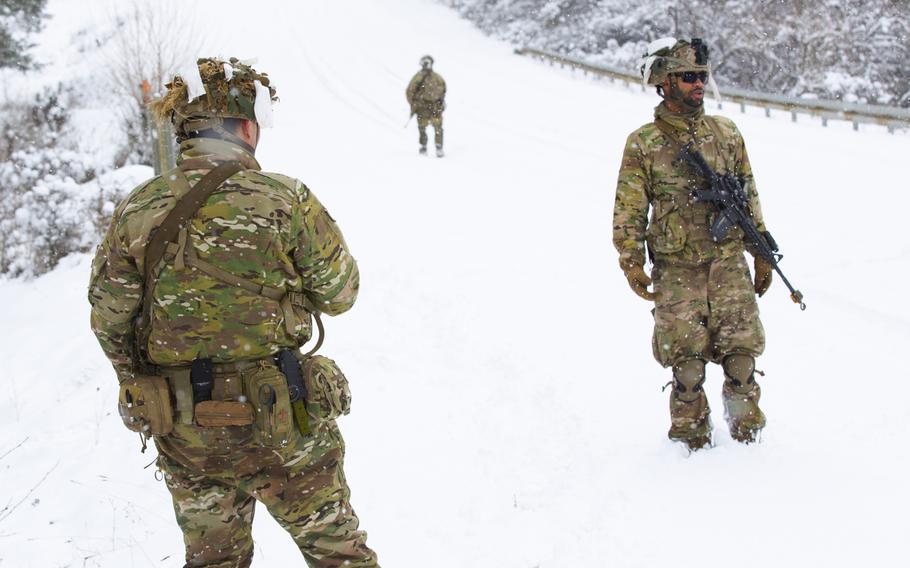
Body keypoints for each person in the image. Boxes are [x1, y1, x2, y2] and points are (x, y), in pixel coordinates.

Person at [88, 57, 380, 567]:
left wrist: (143, 379)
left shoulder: (140, 207)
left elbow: (109, 317)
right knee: (339, 556)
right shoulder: (285, 199)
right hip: (286, 424)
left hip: (188, 431)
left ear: (184, 133)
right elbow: (341, 293)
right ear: (245, 127)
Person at [612, 38, 774, 451]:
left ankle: (747, 440)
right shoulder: (644, 142)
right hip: (677, 269)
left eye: (702, 76)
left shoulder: (726, 133)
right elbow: (629, 207)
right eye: (688, 77)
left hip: (728, 265)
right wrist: (630, 260)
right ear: (664, 82)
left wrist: (762, 253)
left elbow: (748, 195)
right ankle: (691, 441)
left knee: (741, 361)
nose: (698, 83)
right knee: (687, 369)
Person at [406, 54, 446, 157]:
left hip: (429, 107)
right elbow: (410, 91)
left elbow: (410, 91)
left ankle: (430, 147)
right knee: (429, 128)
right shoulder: (434, 77)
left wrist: (414, 103)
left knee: (429, 128)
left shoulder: (423, 77)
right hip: (428, 107)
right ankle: (432, 147)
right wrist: (415, 103)